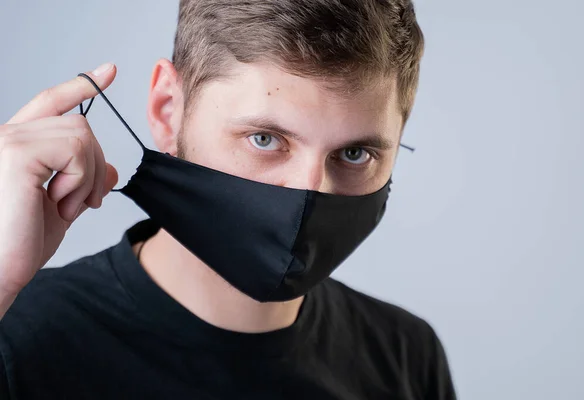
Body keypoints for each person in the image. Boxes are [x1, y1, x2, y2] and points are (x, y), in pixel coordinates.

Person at [0, 0, 456, 398]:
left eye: (355, 154)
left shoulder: (406, 356)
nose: (310, 191)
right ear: (166, 110)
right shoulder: (17, 339)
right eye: (263, 138)